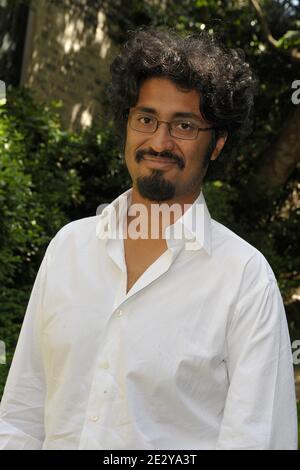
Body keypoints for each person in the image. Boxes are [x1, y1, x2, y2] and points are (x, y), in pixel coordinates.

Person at [0, 27, 297, 450]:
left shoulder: (246, 282)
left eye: (185, 125)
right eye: (146, 119)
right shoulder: (68, 248)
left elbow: (258, 440)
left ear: (217, 144)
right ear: (127, 124)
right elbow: (22, 415)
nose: (159, 141)